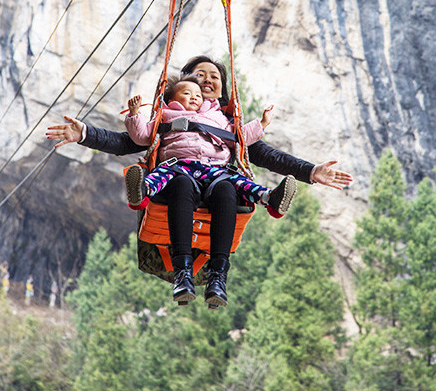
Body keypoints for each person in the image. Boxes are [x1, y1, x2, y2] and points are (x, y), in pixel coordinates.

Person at [46, 55, 353, 308]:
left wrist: (311, 171)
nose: (206, 80)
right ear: (184, 84)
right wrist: (84, 134)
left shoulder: (228, 124)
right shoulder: (167, 116)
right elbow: (129, 141)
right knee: (179, 182)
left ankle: (220, 275)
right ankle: (181, 271)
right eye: (198, 75)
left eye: (214, 76)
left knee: (227, 188)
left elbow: (266, 154)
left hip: (215, 178)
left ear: (221, 90)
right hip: (179, 177)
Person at [123, 75, 297, 222]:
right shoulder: (165, 116)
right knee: (161, 175)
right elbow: (142, 136)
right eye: (187, 93)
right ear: (172, 100)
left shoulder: (215, 117)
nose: (194, 97)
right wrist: (134, 115)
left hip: (213, 166)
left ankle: (270, 198)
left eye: (198, 95)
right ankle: (142, 191)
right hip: (178, 165)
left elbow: (238, 138)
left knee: (238, 181)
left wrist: (262, 123)